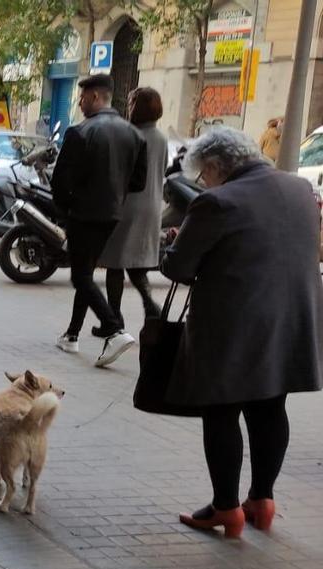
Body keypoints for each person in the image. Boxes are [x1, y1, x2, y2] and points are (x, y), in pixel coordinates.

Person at [162, 127, 323, 538]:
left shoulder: (217, 202)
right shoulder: (300, 189)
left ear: (216, 166)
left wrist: (174, 244)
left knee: (221, 412)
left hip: (232, 326)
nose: (204, 182)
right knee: (270, 407)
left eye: (204, 174)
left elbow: (179, 268)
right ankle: (262, 500)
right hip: (291, 320)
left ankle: (226, 508)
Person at [51, 74, 147, 368]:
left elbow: (59, 181)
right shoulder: (135, 135)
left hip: (83, 214)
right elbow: (138, 182)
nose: (79, 104)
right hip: (111, 214)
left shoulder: (80, 132)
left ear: (95, 97)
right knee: (86, 272)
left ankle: (114, 328)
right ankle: (72, 334)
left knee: (80, 276)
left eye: (81, 98)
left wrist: (67, 211)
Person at [95, 87, 167, 331]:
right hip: (152, 207)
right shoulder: (161, 138)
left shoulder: (130, 135)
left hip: (127, 206)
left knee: (115, 264)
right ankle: (150, 308)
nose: (128, 106)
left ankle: (113, 320)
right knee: (135, 264)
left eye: (131, 102)